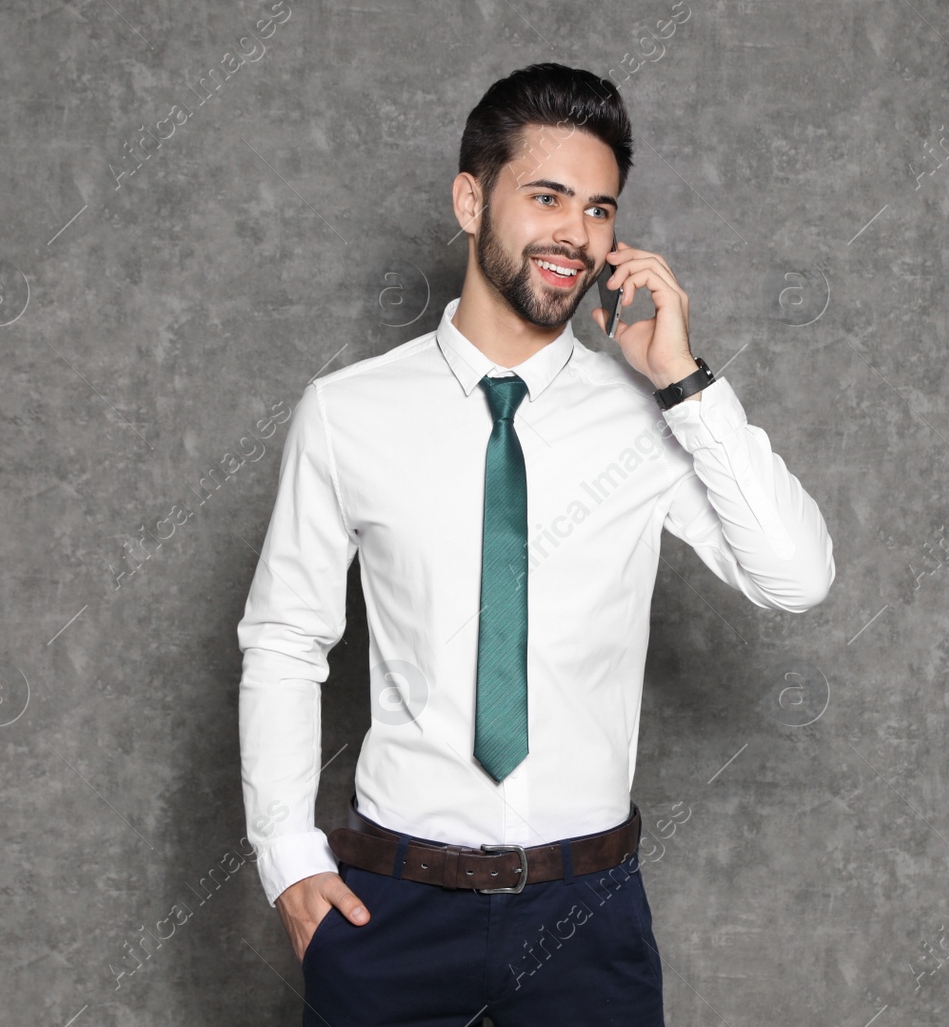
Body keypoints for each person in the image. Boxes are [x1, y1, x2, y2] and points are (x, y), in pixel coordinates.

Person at [236, 61, 835, 1027]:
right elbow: (283, 639)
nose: (576, 234)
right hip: (393, 909)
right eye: (547, 195)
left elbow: (797, 577)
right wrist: (287, 858)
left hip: (586, 919)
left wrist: (681, 377)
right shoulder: (347, 413)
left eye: (600, 209)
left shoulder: (648, 418)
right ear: (472, 199)